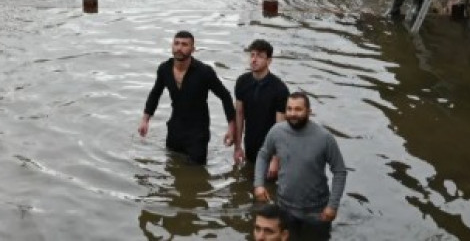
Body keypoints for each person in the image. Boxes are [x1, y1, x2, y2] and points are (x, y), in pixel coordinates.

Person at [254, 92, 347, 240]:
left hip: (317, 213)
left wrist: (332, 205)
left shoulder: (324, 138)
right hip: (285, 208)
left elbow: (340, 171)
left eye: (298, 109)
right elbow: (263, 154)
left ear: (309, 112)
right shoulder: (276, 132)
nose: (292, 114)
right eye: (289, 109)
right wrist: (259, 184)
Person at [139, 30, 237, 165]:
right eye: (176, 43)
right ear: (172, 46)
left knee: (197, 174)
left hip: (198, 133)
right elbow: (155, 93)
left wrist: (232, 128)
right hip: (174, 129)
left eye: (184, 44)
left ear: (193, 49)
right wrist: (145, 120)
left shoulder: (204, 72)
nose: (179, 48)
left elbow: (225, 96)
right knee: (172, 166)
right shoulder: (164, 69)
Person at [233, 39, 289, 175]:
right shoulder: (242, 81)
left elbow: (280, 127)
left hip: (270, 145)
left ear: (269, 61)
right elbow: (239, 114)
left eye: (259, 56)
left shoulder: (279, 89)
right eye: (252, 55)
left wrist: (276, 159)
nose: (254, 59)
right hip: (250, 141)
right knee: (246, 179)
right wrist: (237, 147)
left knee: (269, 186)